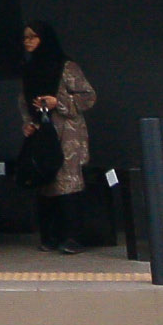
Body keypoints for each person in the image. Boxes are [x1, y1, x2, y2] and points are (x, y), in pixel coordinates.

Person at [23, 20, 99, 252]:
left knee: (68, 182)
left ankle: (73, 237)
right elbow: (24, 100)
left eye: (33, 37)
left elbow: (89, 96)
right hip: (43, 132)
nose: (28, 42)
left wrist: (60, 102)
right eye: (25, 37)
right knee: (46, 182)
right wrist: (29, 122)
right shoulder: (30, 68)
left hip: (68, 133)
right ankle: (51, 236)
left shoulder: (66, 67)